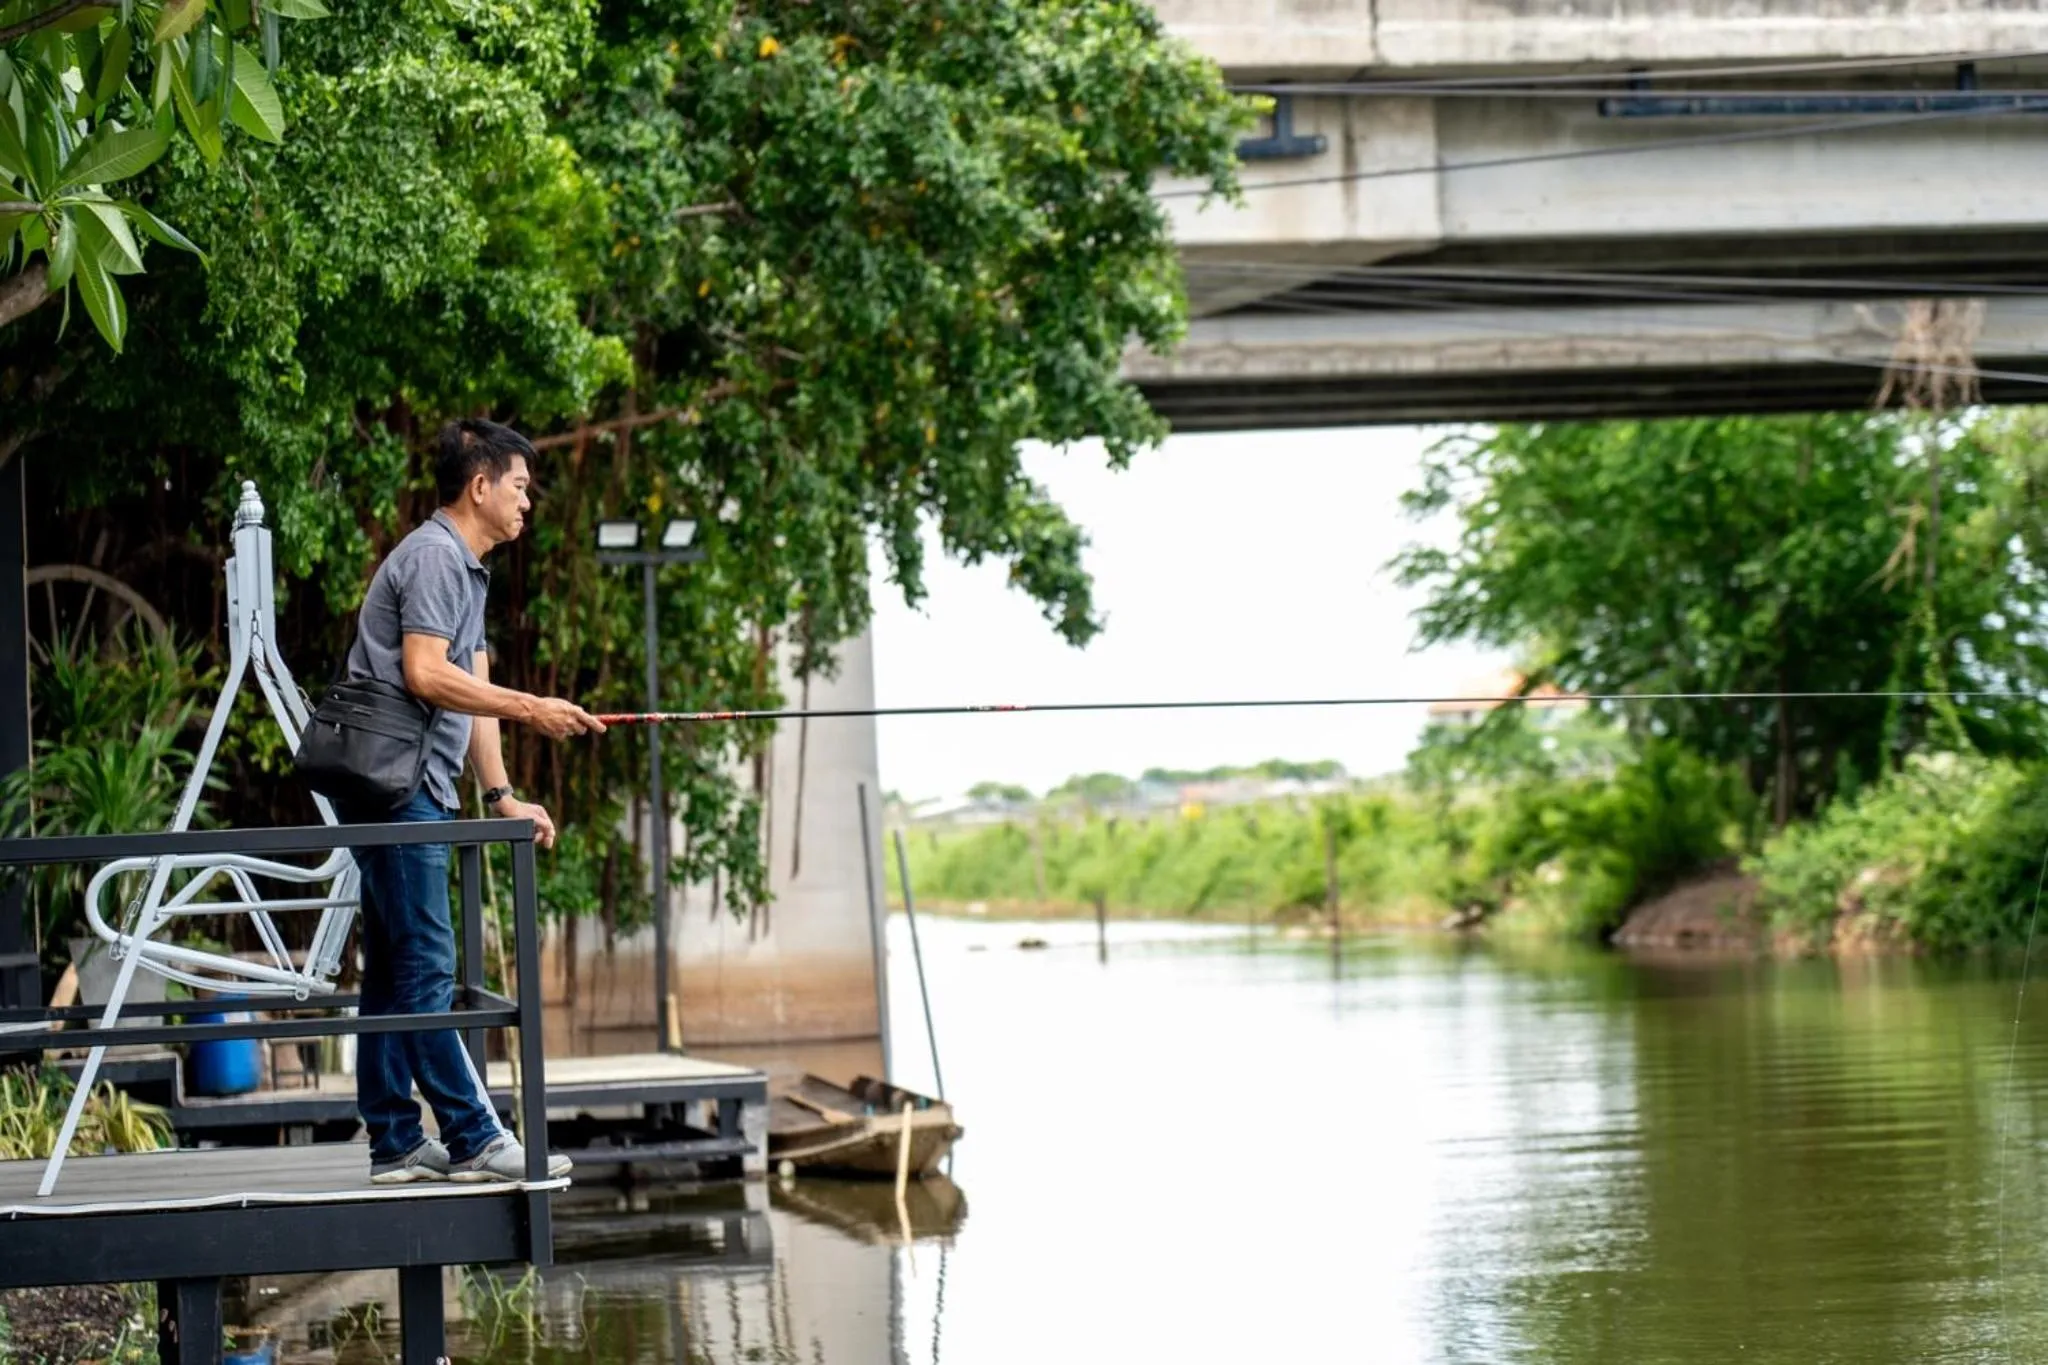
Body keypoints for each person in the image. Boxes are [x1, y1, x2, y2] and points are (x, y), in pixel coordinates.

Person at [340, 418, 606, 1183]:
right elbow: (426, 674)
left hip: (416, 790)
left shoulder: (469, 570)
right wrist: (534, 707)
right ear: (479, 485)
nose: (529, 501)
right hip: (397, 795)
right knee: (427, 966)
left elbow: (475, 694)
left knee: (394, 967)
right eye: (520, 486)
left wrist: (502, 794)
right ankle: (473, 1138)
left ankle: (393, 1140)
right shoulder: (432, 557)